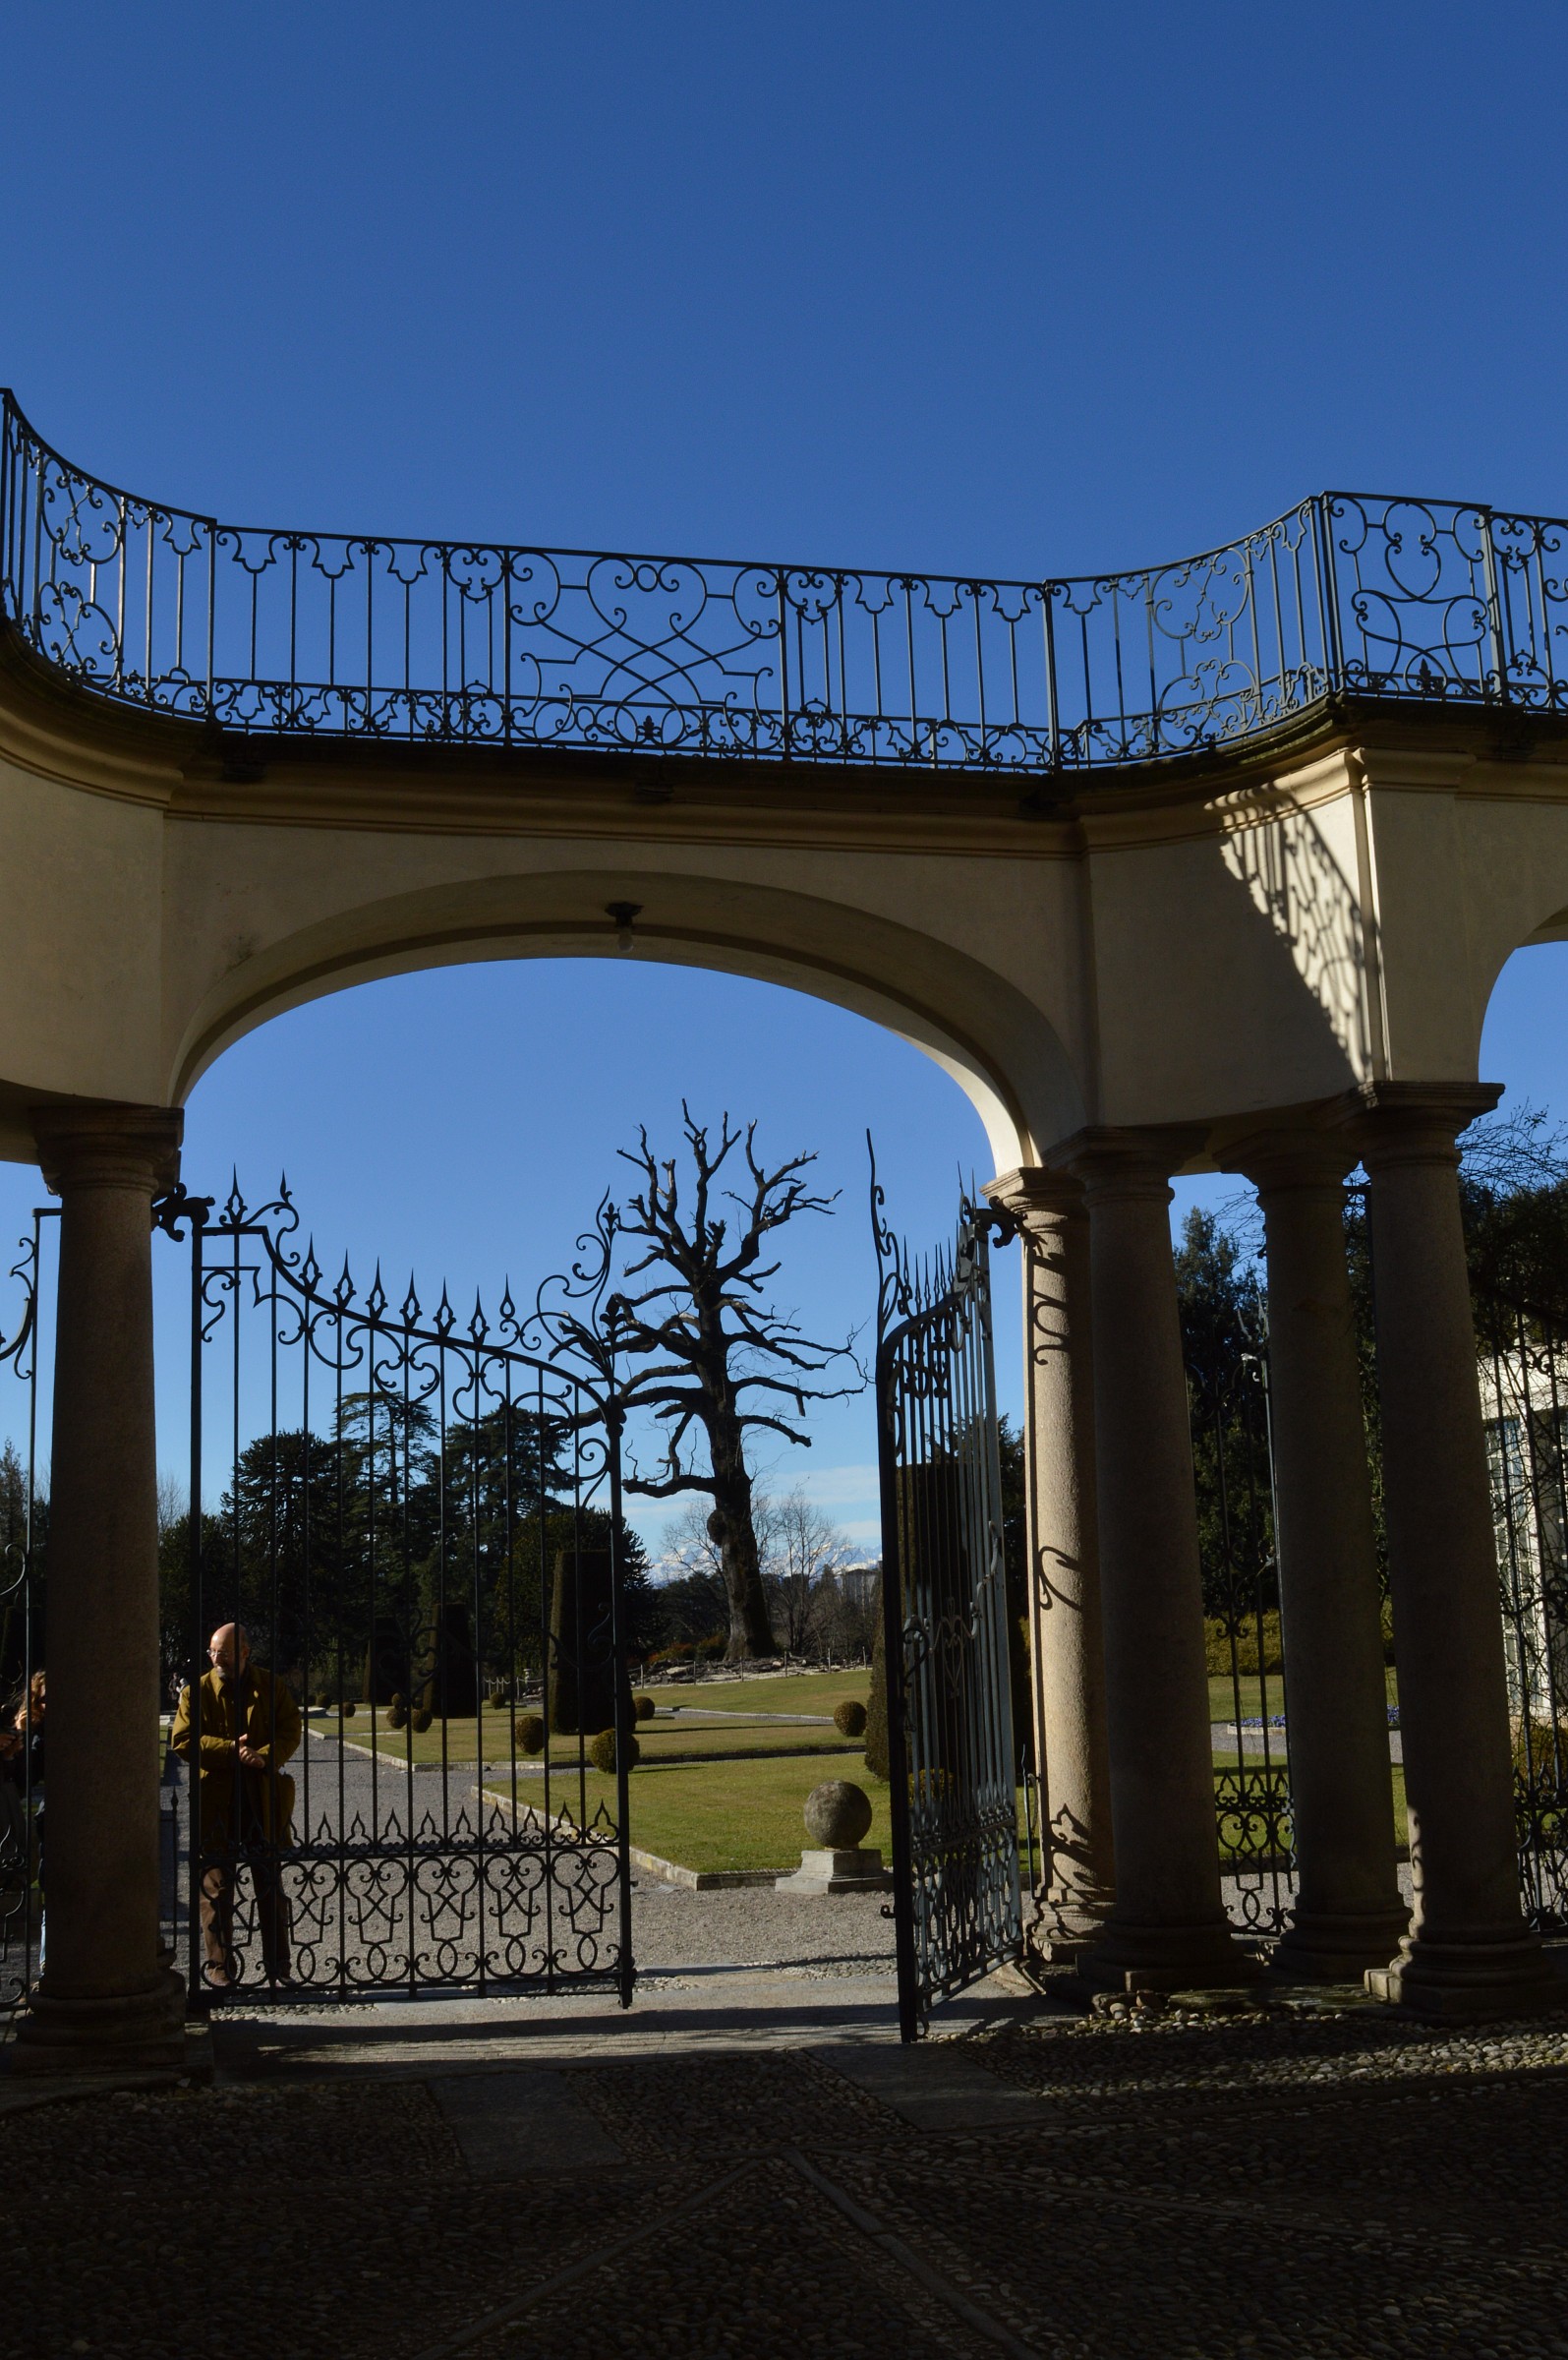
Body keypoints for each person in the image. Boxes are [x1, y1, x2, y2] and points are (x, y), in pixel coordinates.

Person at [171, 1624, 300, 1991]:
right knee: (215, 1891)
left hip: (262, 1801)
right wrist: (230, 1749)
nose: (216, 1659)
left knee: (271, 1888)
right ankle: (219, 1969)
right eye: (212, 1652)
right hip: (216, 1803)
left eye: (223, 1653)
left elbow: (291, 1728)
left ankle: (279, 1966)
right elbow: (182, 1740)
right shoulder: (196, 1690)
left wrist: (263, 1756)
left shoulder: (270, 1685)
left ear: (244, 1652)